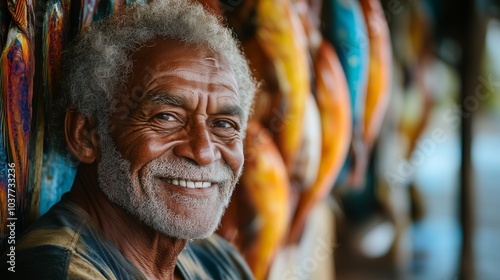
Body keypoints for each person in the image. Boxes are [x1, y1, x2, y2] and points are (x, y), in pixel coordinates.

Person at [1, 0, 256, 278]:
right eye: (166, 117)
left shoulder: (217, 260)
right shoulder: (58, 270)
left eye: (223, 124)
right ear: (86, 135)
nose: (204, 152)